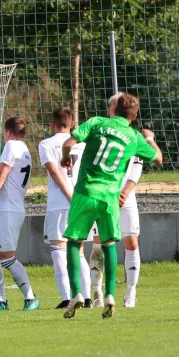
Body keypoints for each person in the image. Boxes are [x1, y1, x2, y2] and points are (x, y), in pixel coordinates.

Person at [61, 93, 162, 319]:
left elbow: (69, 142)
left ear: (112, 110)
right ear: (134, 115)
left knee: (74, 242)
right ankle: (110, 295)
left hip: (85, 192)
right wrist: (149, 138)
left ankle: (77, 293)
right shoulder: (134, 136)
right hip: (110, 198)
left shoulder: (97, 122)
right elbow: (158, 159)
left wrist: (64, 158)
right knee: (109, 244)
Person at [89, 92, 143, 309]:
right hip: (102, 197)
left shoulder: (134, 136)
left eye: (116, 106)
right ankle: (97, 293)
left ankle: (131, 291)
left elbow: (137, 165)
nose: (113, 110)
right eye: (111, 106)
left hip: (125, 198)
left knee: (131, 242)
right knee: (99, 244)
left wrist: (125, 192)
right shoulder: (100, 132)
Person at [0, 117, 39, 311]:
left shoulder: (11, 145)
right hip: (2, 207)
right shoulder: (24, 150)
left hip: (8, 209)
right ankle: (1, 300)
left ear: (7, 132)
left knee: (6, 257)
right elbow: (5, 179)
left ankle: (30, 297)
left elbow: (3, 174)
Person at [38, 107, 92, 309]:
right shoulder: (82, 144)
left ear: (53, 124)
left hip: (60, 203)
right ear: (73, 125)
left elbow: (54, 173)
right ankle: (86, 297)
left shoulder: (46, 144)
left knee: (59, 250)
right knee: (78, 251)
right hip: (82, 201)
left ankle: (67, 297)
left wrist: (70, 198)